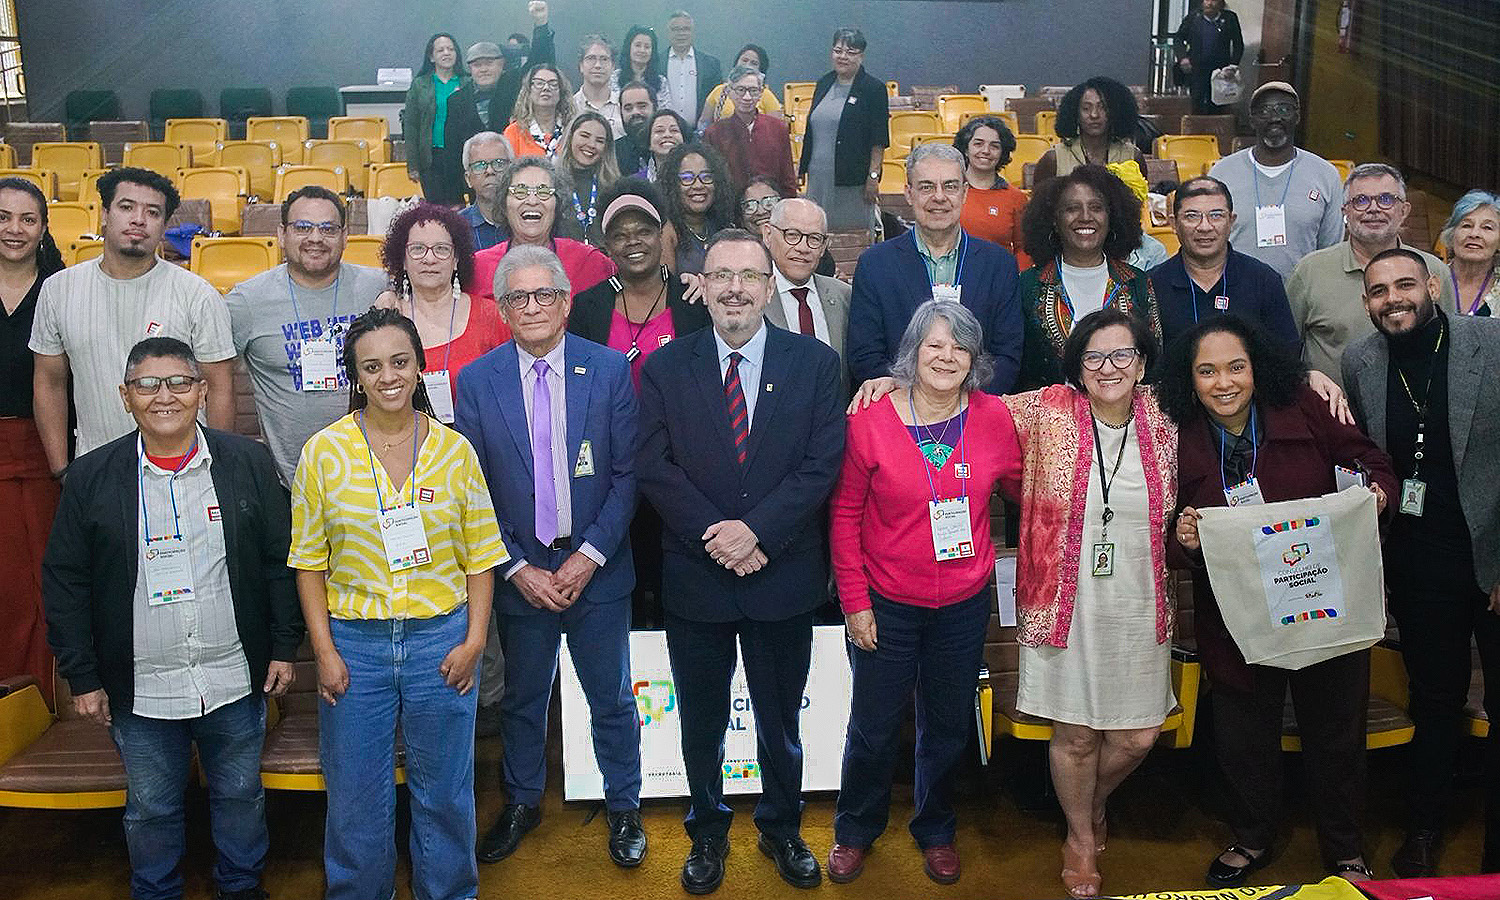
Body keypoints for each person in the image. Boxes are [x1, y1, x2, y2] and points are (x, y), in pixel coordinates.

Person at [43, 337, 303, 900]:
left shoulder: (247, 462)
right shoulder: (90, 478)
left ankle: (241, 888)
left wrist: (285, 644)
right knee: (152, 808)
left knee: (240, 796)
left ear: (203, 392)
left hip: (233, 676)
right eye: (147, 385)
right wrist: (82, 676)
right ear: (125, 398)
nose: (165, 396)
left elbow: (281, 562)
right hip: (140, 686)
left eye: (181, 382)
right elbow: (66, 582)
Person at [636, 229, 845, 894]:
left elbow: (821, 466)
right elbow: (653, 465)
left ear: (768, 285)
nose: (734, 288)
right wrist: (719, 536)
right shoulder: (667, 367)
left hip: (782, 574)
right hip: (697, 578)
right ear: (702, 284)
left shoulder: (813, 363)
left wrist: (756, 532)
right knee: (699, 723)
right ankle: (706, 832)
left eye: (749, 277)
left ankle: (783, 827)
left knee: (781, 721)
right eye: (721, 275)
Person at [1162, 314, 1396, 887]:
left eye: (1236, 367)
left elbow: (1375, 464)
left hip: (1323, 601)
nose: (1224, 383)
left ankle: (1344, 847)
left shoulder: (1305, 409)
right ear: (1188, 380)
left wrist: (1376, 498)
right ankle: (1252, 836)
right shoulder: (1176, 434)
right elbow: (1167, 532)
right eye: (1207, 371)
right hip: (1237, 616)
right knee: (1244, 734)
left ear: (1257, 369)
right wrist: (1184, 538)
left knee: (1336, 731)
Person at [289, 307, 508, 900]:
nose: (388, 376)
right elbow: (309, 563)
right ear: (355, 377)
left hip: (442, 643)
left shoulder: (455, 451)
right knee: (357, 796)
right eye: (371, 366)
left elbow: (481, 558)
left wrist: (474, 641)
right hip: (354, 646)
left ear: (419, 368)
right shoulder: (323, 454)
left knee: (446, 792)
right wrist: (324, 650)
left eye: (399, 361)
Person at [459, 244, 646, 868]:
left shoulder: (611, 368)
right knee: (522, 698)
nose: (533, 307)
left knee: (612, 697)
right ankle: (522, 800)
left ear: (567, 304)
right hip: (522, 575)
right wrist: (515, 567)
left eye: (545, 296)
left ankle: (624, 806)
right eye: (519, 298)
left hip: (598, 569)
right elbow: (473, 487)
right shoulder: (478, 382)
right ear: (503, 309)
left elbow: (628, 475)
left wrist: (589, 555)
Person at [828, 300, 1022, 887]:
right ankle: (856, 828)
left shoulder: (993, 417)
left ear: (974, 359)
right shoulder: (869, 420)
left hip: (963, 602)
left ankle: (935, 828)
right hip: (886, 601)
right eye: (934, 345)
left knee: (947, 724)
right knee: (873, 722)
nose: (946, 356)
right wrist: (855, 603)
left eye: (959, 346)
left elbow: (1027, 489)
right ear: (912, 353)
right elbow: (843, 517)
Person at [999, 309, 1177, 898]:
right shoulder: (1046, 408)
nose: (1107, 368)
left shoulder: (1167, 413)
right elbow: (962, 407)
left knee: (1139, 734)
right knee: (1074, 735)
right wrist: (893, 383)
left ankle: (1092, 802)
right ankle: (1080, 835)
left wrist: (1310, 377)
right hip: (1062, 600)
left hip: (1140, 599)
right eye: (1093, 357)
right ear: (1076, 367)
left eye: (1121, 355)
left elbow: (1240, 391)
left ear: (1142, 363)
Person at [1342, 247, 1500, 876]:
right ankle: (1425, 830)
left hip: (1491, 553)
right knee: (1435, 701)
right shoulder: (1361, 359)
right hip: (1418, 560)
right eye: (1379, 292)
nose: (1393, 299)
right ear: (1367, 303)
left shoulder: (1489, 342)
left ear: (1431, 285)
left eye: (1405, 285)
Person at [30, 166, 235, 475]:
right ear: (104, 214)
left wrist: (218, 470)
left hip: (186, 471)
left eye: (152, 212)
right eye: (126, 207)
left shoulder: (197, 294)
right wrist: (61, 468)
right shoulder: (58, 290)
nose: (138, 219)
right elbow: (49, 383)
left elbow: (219, 388)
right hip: (94, 469)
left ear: (164, 225)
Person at [570, 180, 709, 629]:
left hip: (681, 466)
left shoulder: (693, 301)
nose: (633, 242)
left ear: (664, 233)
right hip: (611, 468)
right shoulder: (588, 307)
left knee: (677, 582)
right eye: (620, 233)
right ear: (606, 244)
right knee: (618, 582)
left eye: (643, 230)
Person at [225, 186, 389, 486]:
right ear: (282, 234)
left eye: (328, 228)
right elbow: (213, 378)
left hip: (376, 477)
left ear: (344, 236)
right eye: (302, 227)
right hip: (290, 483)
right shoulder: (246, 302)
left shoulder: (378, 287)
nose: (315, 238)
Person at [847, 144, 1022, 394]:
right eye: (927, 187)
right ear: (909, 193)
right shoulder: (875, 265)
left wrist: (961, 406)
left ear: (964, 193)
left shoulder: (999, 264)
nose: (939, 197)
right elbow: (866, 356)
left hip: (976, 413)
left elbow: (1008, 355)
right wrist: (921, 406)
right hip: (902, 417)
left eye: (949, 186)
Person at [1287, 163, 1455, 390]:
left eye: (1386, 199)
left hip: (1415, 412)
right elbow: (1284, 350)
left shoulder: (1434, 271)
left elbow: (1452, 349)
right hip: (1331, 418)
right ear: (1345, 212)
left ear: (1404, 211)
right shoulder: (1310, 271)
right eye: (1361, 201)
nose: (1373, 209)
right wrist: (1307, 375)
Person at [0, 177, 64, 703]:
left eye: (27, 219)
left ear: (44, 228)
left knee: (46, 581)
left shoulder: (64, 289)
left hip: (48, 450)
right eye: (2, 217)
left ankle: (42, 699)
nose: (14, 229)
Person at [1015, 164, 1159, 390]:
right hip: (1048, 420)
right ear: (1054, 220)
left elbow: (1154, 360)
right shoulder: (1027, 285)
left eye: (1096, 207)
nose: (1085, 217)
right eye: (1072, 208)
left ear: (1112, 217)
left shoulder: (1136, 282)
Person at [374, 202, 506, 424]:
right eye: (417, 249)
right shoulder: (385, 316)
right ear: (402, 260)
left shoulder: (490, 316)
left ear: (456, 259)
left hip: (477, 448)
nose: (429, 259)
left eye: (442, 249)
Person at [1208, 82, 1344, 279]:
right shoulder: (1221, 174)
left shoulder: (1326, 175)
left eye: (1284, 109)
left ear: (1297, 117)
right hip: (1237, 294)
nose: (1275, 118)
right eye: (1264, 111)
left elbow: (1330, 250)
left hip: (1302, 298)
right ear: (1252, 120)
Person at [1148, 175, 1298, 352]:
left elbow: (1286, 355)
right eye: (1192, 216)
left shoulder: (1264, 281)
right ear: (1174, 224)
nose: (1205, 227)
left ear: (1231, 222)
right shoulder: (1151, 284)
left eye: (1216, 215)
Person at [473, 156, 616, 304]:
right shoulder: (478, 268)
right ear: (504, 203)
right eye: (520, 191)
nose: (532, 201)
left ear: (558, 203)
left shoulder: (590, 262)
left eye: (543, 192)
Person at [443, 2, 557, 183]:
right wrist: (456, 195)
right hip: (477, 181)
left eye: (489, 63)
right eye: (477, 65)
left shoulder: (514, 85)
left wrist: (540, 24)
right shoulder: (456, 101)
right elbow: (451, 151)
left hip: (514, 176)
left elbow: (540, 62)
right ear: (470, 68)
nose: (483, 69)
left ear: (502, 64)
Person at [799, 28, 889, 232]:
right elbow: (811, 131)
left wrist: (873, 177)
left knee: (851, 235)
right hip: (819, 177)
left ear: (861, 56)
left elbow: (879, 139)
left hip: (853, 181)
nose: (843, 56)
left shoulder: (873, 89)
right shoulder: (824, 83)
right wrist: (803, 167)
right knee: (817, 230)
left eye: (850, 52)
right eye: (838, 50)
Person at [760, 197, 851, 392]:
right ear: (768, 235)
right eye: (792, 235)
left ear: (824, 246)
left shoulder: (844, 295)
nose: (802, 248)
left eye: (814, 239)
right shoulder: (751, 295)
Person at [1033, 77, 1148, 186]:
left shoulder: (1133, 156)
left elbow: (1141, 202)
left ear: (1116, 112)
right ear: (1075, 113)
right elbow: (1039, 203)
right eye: (1086, 108)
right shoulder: (1054, 159)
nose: (1094, 115)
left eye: (1102, 107)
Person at [704, 65, 798, 198]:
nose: (747, 97)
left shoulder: (778, 128)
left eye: (753, 90)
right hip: (731, 208)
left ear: (761, 93)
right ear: (730, 92)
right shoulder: (714, 133)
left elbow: (787, 179)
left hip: (770, 206)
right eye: (740, 90)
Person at [954, 114, 1030, 268]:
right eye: (978, 144)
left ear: (1003, 153)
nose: (986, 151)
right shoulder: (950, 191)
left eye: (994, 146)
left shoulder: (1016, 198)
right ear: (966, 149)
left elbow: (1024, 248)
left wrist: (1016, 275)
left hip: (999, 280)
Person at [404, 32, 468, 205]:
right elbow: (410, 126)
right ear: (431, 57)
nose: (446, 53)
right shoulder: (420, 85)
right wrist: (413, 165)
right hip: (432, 157)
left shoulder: (467, 82)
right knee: (436, 208)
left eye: (451, 49)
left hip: (461, 155)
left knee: (458, 206)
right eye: (440, 50)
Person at [658, 142, 735, 275]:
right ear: (673, 185)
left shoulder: (723, 225)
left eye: (706, 177)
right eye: (687, 178)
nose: (698, 185)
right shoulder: (667, 231)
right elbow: (665, 287)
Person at [560, 111, 623, 244]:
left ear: (606, 148)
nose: (591, 145)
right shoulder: (552, 182)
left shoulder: (615, 188)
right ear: (570, 137)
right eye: (584, 136)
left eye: (599, 141)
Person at [1173, 0, 1245, 114]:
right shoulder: (1193, 18)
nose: (1209, 3)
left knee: (1218, 106)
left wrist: (1233, 66)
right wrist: (1183, 58)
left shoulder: (1230, 18)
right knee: (1197, 103)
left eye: (1214, 0)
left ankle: (1216, 130)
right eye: (1206, 0)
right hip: (1197, 69)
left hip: (1220, 71)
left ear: (1221, 4)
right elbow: (1178, 39)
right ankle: (1197, 130)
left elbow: (1238, 44)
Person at [697, 43, 782, 132]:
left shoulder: (766, 95)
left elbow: (777, 129)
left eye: (754, 63)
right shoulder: (719, 91)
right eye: (744, 60)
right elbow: (704, 122)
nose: (748, 65)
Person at [1441, 190, 1500, 316]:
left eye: (1487, 228)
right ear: (1452, 234)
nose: (1474, 234)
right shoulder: (1431, 280)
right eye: (1466, 225)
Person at [503, 63, 575, 160]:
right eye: (539, 83)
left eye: (553, 84)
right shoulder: (514, 132)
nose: (546, 88)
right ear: (529, 90)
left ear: (561, 92)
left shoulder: (572, 130)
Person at [662, 10, 722, 125]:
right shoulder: (656, 63)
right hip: (665, 132)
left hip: (700, 133)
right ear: (668, 33)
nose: (681, 33)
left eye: (685, 29)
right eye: (675, 29)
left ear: (693, 32)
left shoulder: (711, 64)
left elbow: (717, 100)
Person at [458, 131, 514, 250]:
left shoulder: (528, 220)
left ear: (512, 171)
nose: (489, 171)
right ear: (468, 179)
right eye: (480, 165)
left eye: (499, 163)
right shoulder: (456, 228)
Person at [573, 35, 624, 138]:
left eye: (604, 59)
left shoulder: (624, 105)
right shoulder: (569, 106)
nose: (598, 65)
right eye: (591, 58)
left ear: (613, 66)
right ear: (581, 66)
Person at [616, 26, 671, 116]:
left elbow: (665, 113)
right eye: (638, 45)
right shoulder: (614, 78)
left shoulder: (661, 82)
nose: (642, 50)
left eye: (647, 47)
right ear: (629, 47)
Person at [615, 81, 656, 176]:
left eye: (642, 106)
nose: (635, 112)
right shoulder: (613, 152)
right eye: (628, 108)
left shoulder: (667, 146)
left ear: (655, 108)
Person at [641, 108, 691, 182]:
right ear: (649, 143)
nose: (667, 135)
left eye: (674, 130)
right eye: (659, 131)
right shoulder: (637, 181)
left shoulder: (696, 179)